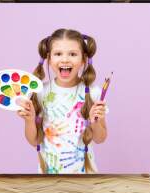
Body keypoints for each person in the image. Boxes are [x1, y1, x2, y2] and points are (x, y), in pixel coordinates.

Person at [17, 28, 108, 174]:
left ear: (83, 59)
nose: (65, 59)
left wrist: (95, 121)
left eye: (72, 54)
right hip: (48, 178)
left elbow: (100, 138)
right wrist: (29, 120)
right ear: (49, 58)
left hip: (86, 177)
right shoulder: (40, 91)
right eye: (58, 54)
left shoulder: (93, 92)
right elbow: (34, 141)